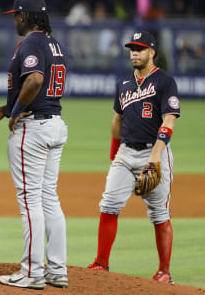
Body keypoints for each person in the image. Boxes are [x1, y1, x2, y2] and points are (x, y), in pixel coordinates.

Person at [0, 0, 69, 290]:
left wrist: (17, 112)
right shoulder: (54, 43)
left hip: (33, 129)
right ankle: (57, 270)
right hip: (54, 124)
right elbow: (41, 85)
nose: (14, 19)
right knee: (49, 198)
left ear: (26, 16)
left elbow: (34, 80)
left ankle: (33, 272)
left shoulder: (32, 42)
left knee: (30, 200)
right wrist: (6, 109)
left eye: (17, 15)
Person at [87, 31, 179, 285]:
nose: (134, 53)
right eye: (131, 49)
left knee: (159, 214)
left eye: (140, 48)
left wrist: (156, 156)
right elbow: (117, 120)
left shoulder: (164, 81)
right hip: (125, 154)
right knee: (109, 204)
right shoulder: (124, 82)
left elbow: (169, 119)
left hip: (154, 152)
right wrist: (114, 151)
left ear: (152, 52)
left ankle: (164, 272)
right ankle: (101, 263)